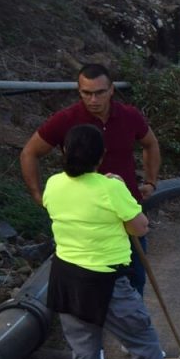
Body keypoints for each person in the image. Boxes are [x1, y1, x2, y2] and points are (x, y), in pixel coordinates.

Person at [43, 125, 180, 359]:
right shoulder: (109, 188)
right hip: (106, 282)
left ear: (64, 152)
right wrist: (118, 188)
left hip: (65, 279)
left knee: (85, 355)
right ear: (101, 156)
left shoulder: (53, 184)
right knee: (143, 345)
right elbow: (140, 227)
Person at [21, 63, 161, 296]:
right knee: (87, 289)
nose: (93, 99)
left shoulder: (129, 116)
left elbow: (150, 143)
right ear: (79, 91)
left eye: (99, 92)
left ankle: (129, 327)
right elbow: (29, 152)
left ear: (112, 90)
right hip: (84, 219)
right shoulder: (66, 119)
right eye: (86, 93)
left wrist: (151, 181)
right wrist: (37, 195)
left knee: (134, 281)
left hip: (125, 211)